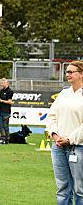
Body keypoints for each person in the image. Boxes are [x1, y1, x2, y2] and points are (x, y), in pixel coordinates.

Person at [47, 61, 83, 204]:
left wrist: (70, 139)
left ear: (81, 74)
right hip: (59, 147)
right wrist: (55, 135)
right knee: (62, 189)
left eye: (71, 72)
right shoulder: (63, 93)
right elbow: (51, 116)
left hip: (79, 147)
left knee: (80, 190)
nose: (67, 75)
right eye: (66, 72)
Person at [0, 78, 13, 145]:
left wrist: (1, 101)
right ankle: (5, 139)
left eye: (4, 82)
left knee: (4, 126)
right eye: (2, 82)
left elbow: (10, 101)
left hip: (6, 111)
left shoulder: (9, 91)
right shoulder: (1, 91)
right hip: (1, 110)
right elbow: (0, 100)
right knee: (1, 126)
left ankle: (4, 139)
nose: (2, 84)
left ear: (7, 83)